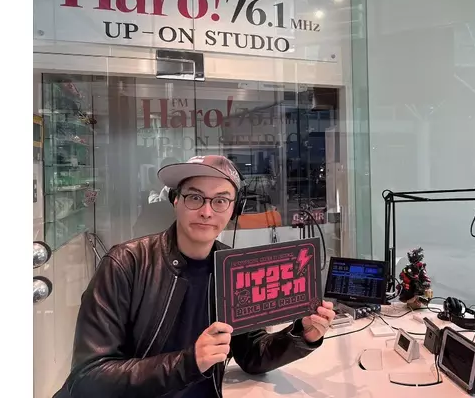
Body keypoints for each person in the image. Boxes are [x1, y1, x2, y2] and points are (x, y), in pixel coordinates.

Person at [55, 155, 336, 398]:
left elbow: (252, 353)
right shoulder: (126, 263)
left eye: (220, 200)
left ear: (233, 209)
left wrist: (302, 335)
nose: (206, 212)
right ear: (175, 200)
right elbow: (89, 377)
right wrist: (189, 362)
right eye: (194, 197)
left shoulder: (234, 267)